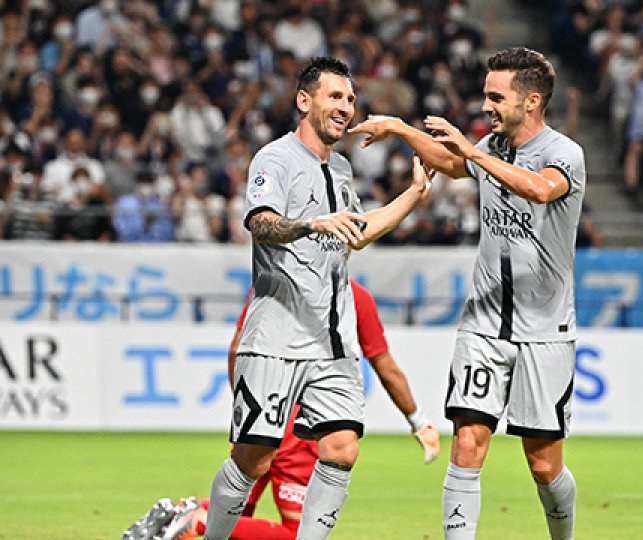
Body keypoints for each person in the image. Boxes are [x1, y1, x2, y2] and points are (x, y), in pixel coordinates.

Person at [350, 46, 585, 539]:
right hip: (483, 322)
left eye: (496, 97)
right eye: (485, 95)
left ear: (532, 101)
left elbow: (539, 190)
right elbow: (451, 163)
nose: (486, 106)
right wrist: (399, 128)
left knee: (543, 466)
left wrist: (474, 151)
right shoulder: (490, 148)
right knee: (468, 443)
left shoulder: (564, 154)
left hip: (544, 330)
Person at [205, 56, 433, 540]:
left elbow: (358, 231)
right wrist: (311, 223)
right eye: (335, 96)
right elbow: (261, 224)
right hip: (275, 336)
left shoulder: (344, 170)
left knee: (342, 447)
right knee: (254, 458)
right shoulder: (274, 159)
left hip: (331, 341)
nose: (346, 106)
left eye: (350, 99)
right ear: (304, 101)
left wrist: (412, 195)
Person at [123, 280, 441, 540]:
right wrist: (419, 421)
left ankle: (181, 511)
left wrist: (247, 408)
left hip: (261, 412)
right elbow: (384, 364)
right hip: (303, 425)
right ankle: (196, 519)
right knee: (297, 532)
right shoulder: (354, 296)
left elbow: (237, 347)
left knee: (237, 511)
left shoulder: (272, 282)